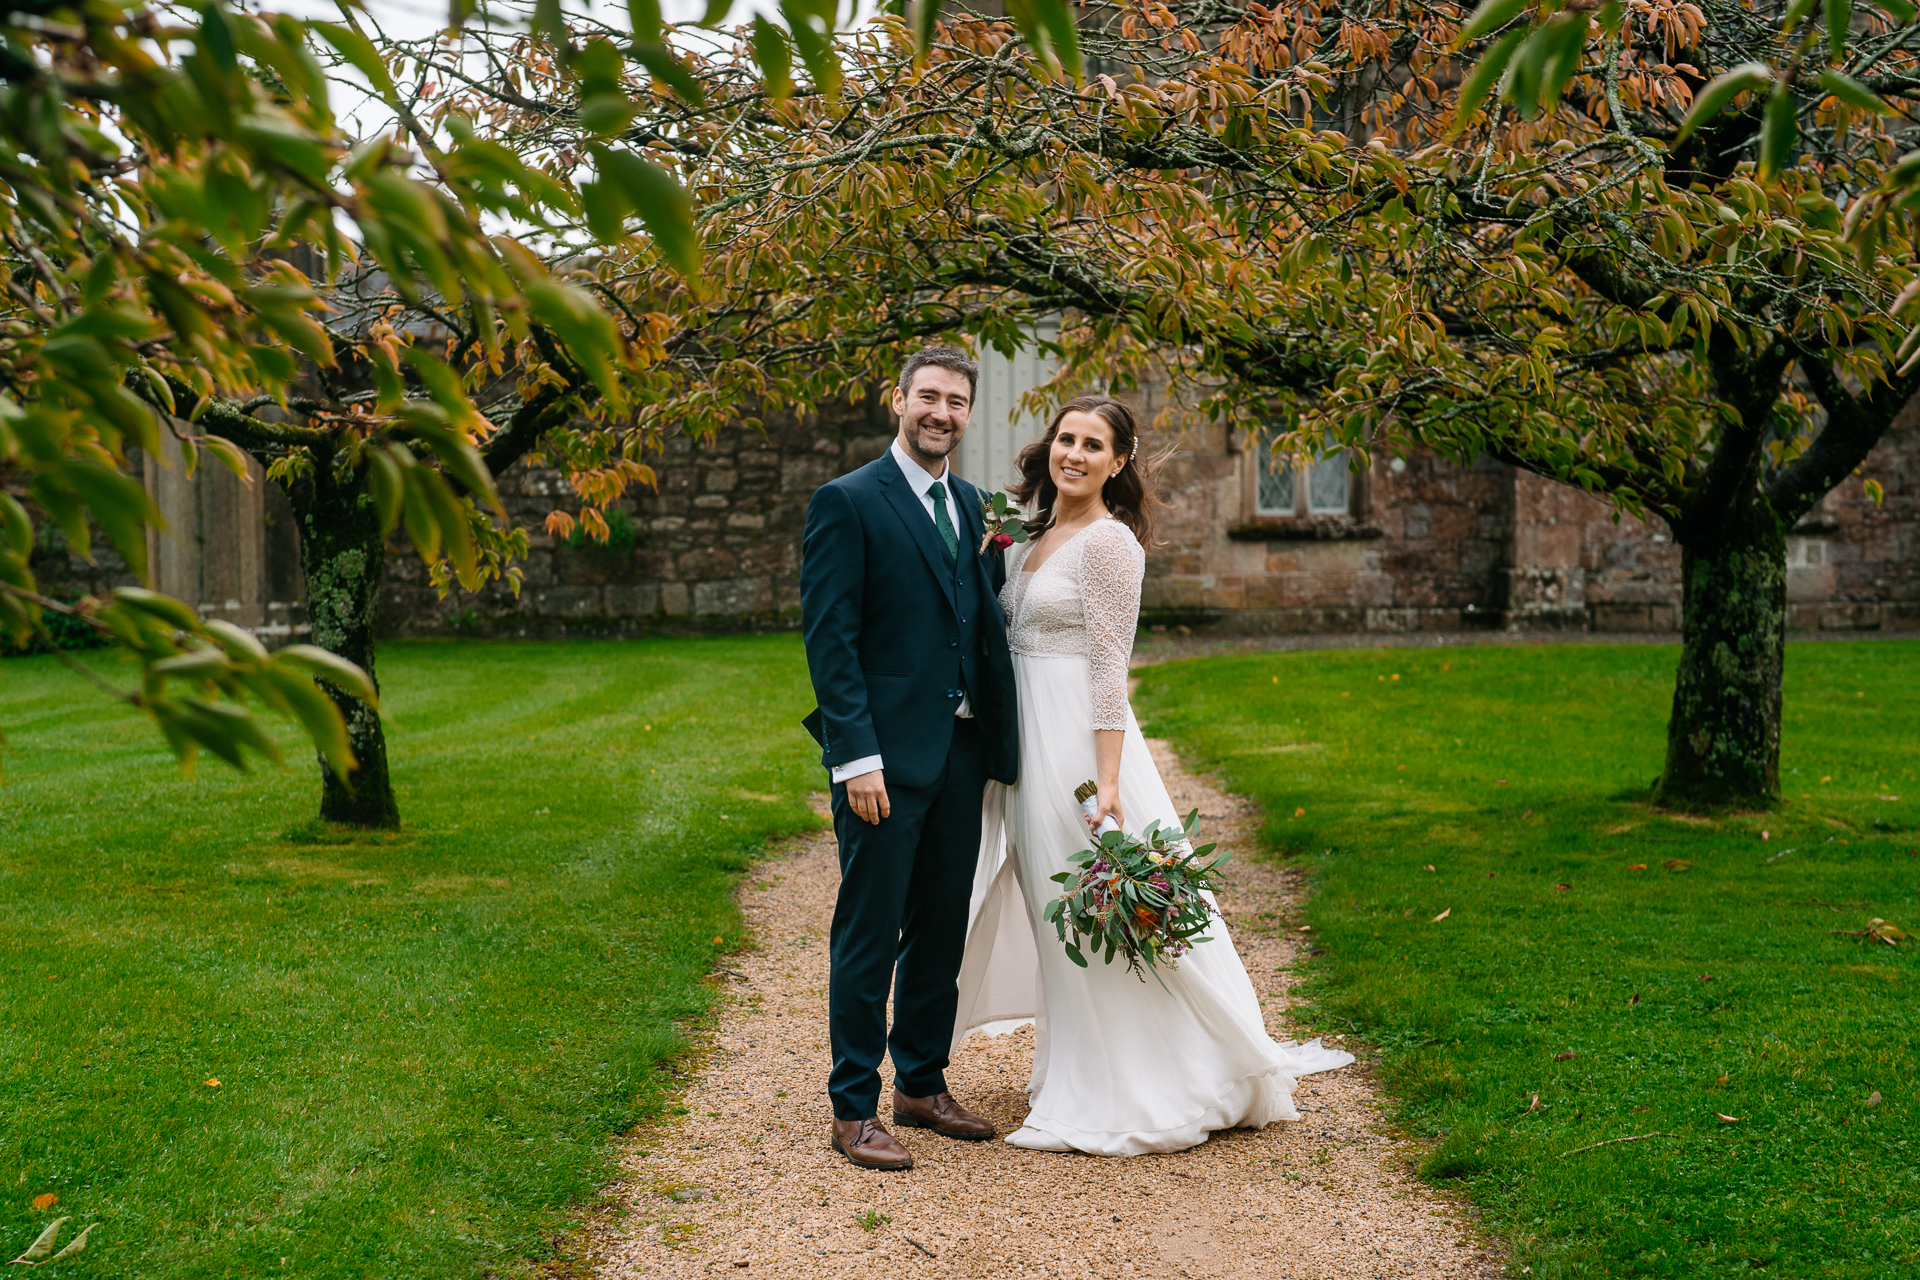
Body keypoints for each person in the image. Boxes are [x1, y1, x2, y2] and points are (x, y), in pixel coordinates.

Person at [950, 395, 1352, 1156]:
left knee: (1097, 904)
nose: (1074, 453)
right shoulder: (1033, 533)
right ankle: (1077, 1062)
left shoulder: (1110, 545)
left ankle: (1143, 1080)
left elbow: (1109, 670)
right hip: (1028, 749)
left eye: (1092, 445)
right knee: (1053, 907)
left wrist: (1108, 783)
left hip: (1079, 750)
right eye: (1065, 438)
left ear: (1119, 461)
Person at [798, 347, 1020, 1171]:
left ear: (968, 413)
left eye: (957, 401)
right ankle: (853, 1105)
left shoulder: (973, 504)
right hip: (881, 764)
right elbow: (832, 640)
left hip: (960, 754)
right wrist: (855, 758)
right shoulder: (848, 502)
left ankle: (921, 1083)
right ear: (898, 400)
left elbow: (981, 626)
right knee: (868, 929)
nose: (942, 412)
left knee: (939, 928)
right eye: (928, 396)